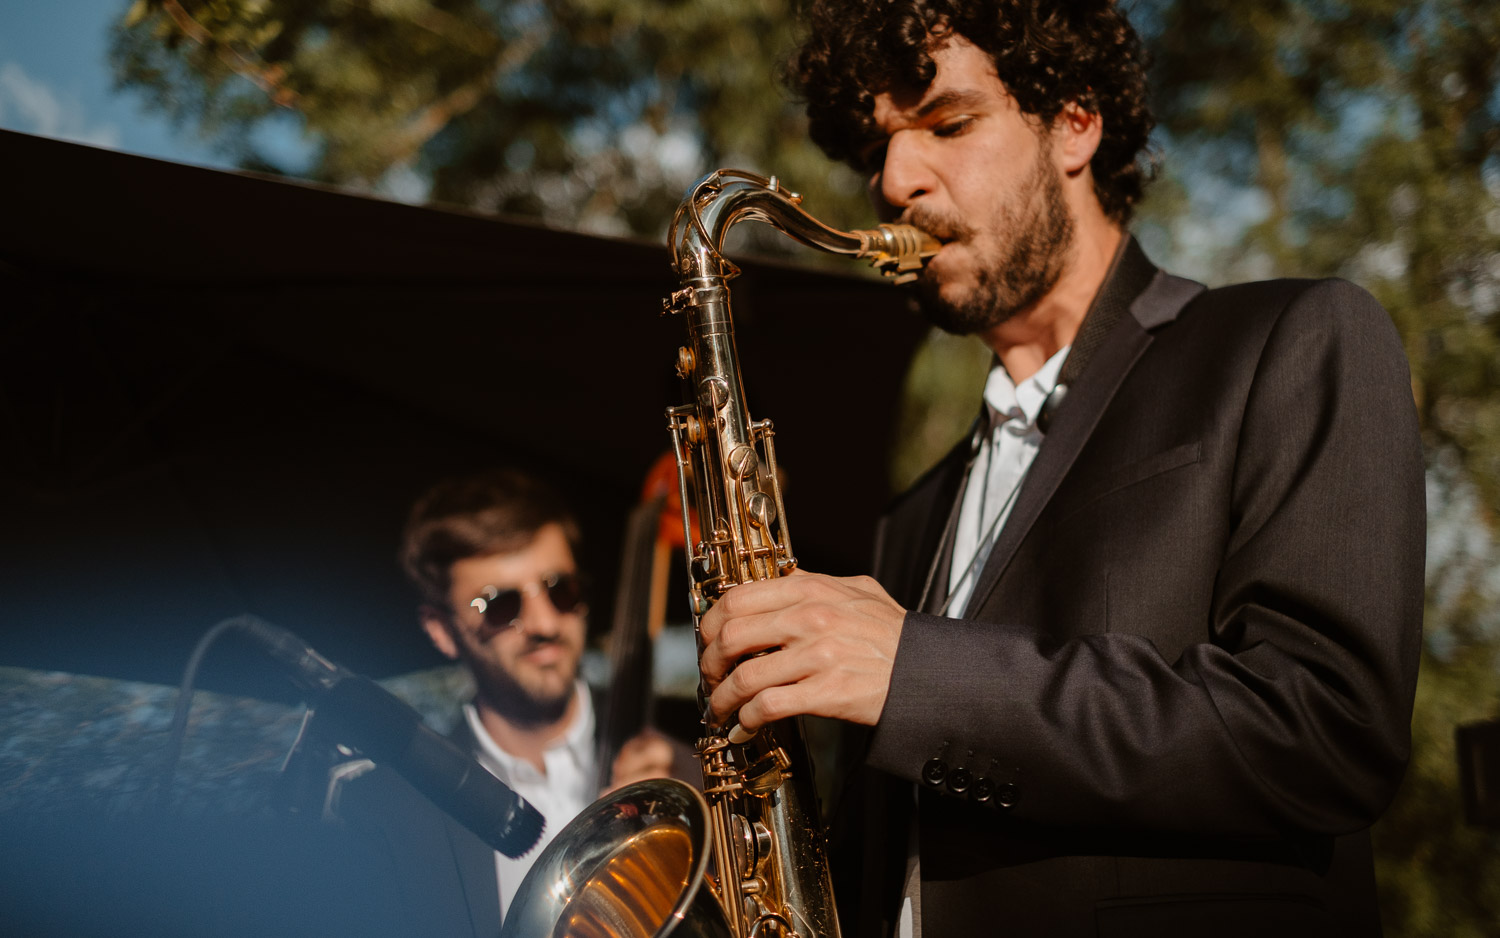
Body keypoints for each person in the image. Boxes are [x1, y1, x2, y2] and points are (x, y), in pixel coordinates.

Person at [696, 2, 1425, 936]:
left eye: (948, 124)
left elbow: (1326, 731)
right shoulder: (913, 514)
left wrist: (914, 672)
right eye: (876, 147)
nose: (893, 179)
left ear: (1075, 122)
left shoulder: (1293, 338)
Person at [329, 468, 689, 934]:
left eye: (561, 589)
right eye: (501, 605)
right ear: (441, 629)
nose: (544, 623)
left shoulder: (694, 748)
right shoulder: (393, 814)